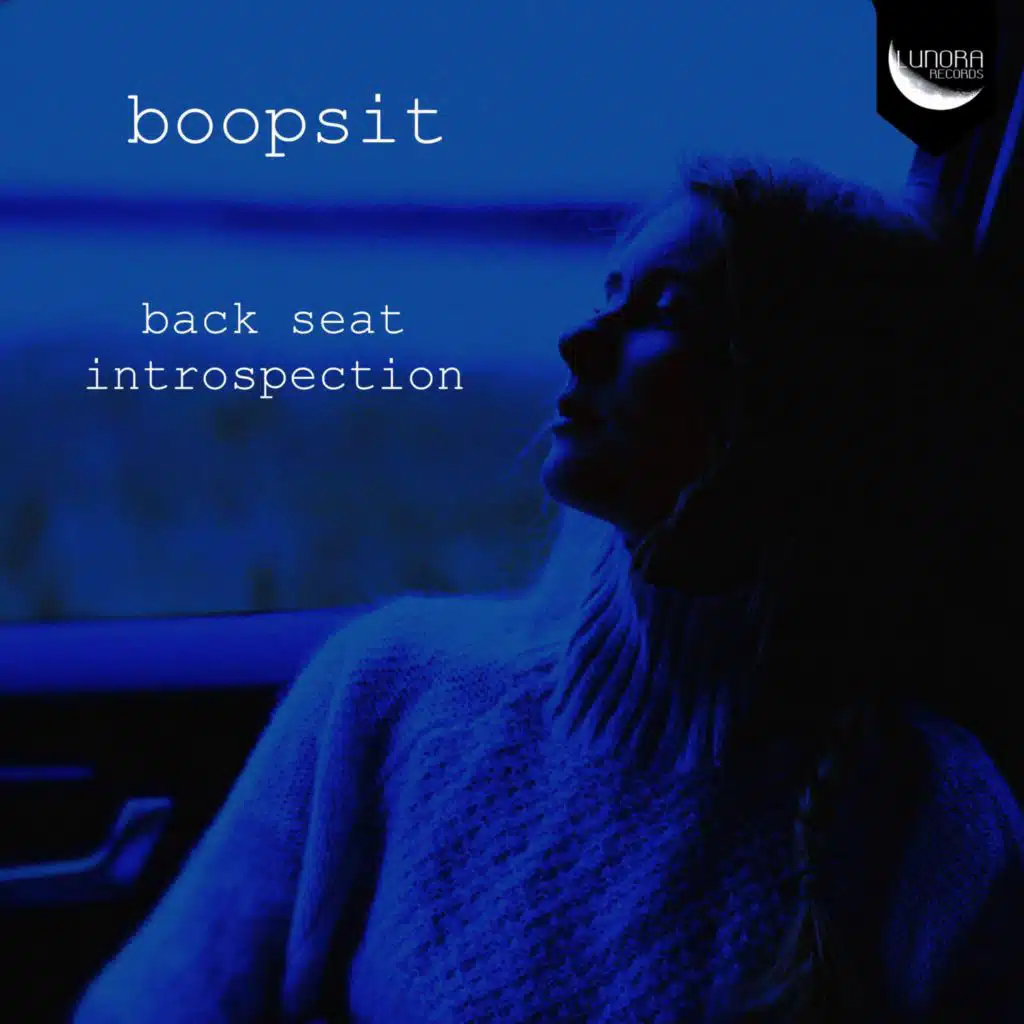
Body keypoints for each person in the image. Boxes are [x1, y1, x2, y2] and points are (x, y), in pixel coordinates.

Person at [73, 157, 1023, 1023]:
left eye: (665, 311)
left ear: (806, 397)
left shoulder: (937, 828)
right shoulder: (397, 688)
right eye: (610, 291)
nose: (578, 341)